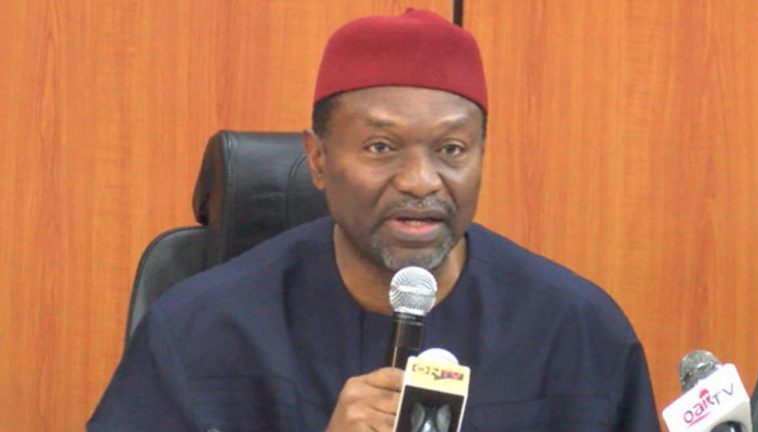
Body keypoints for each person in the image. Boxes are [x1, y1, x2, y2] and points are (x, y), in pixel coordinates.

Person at [88, 9, 661, 432]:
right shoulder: (201, 329)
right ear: (318, 159)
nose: (421, 181)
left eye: (452, 150)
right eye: (381, 147)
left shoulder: (578, 330)